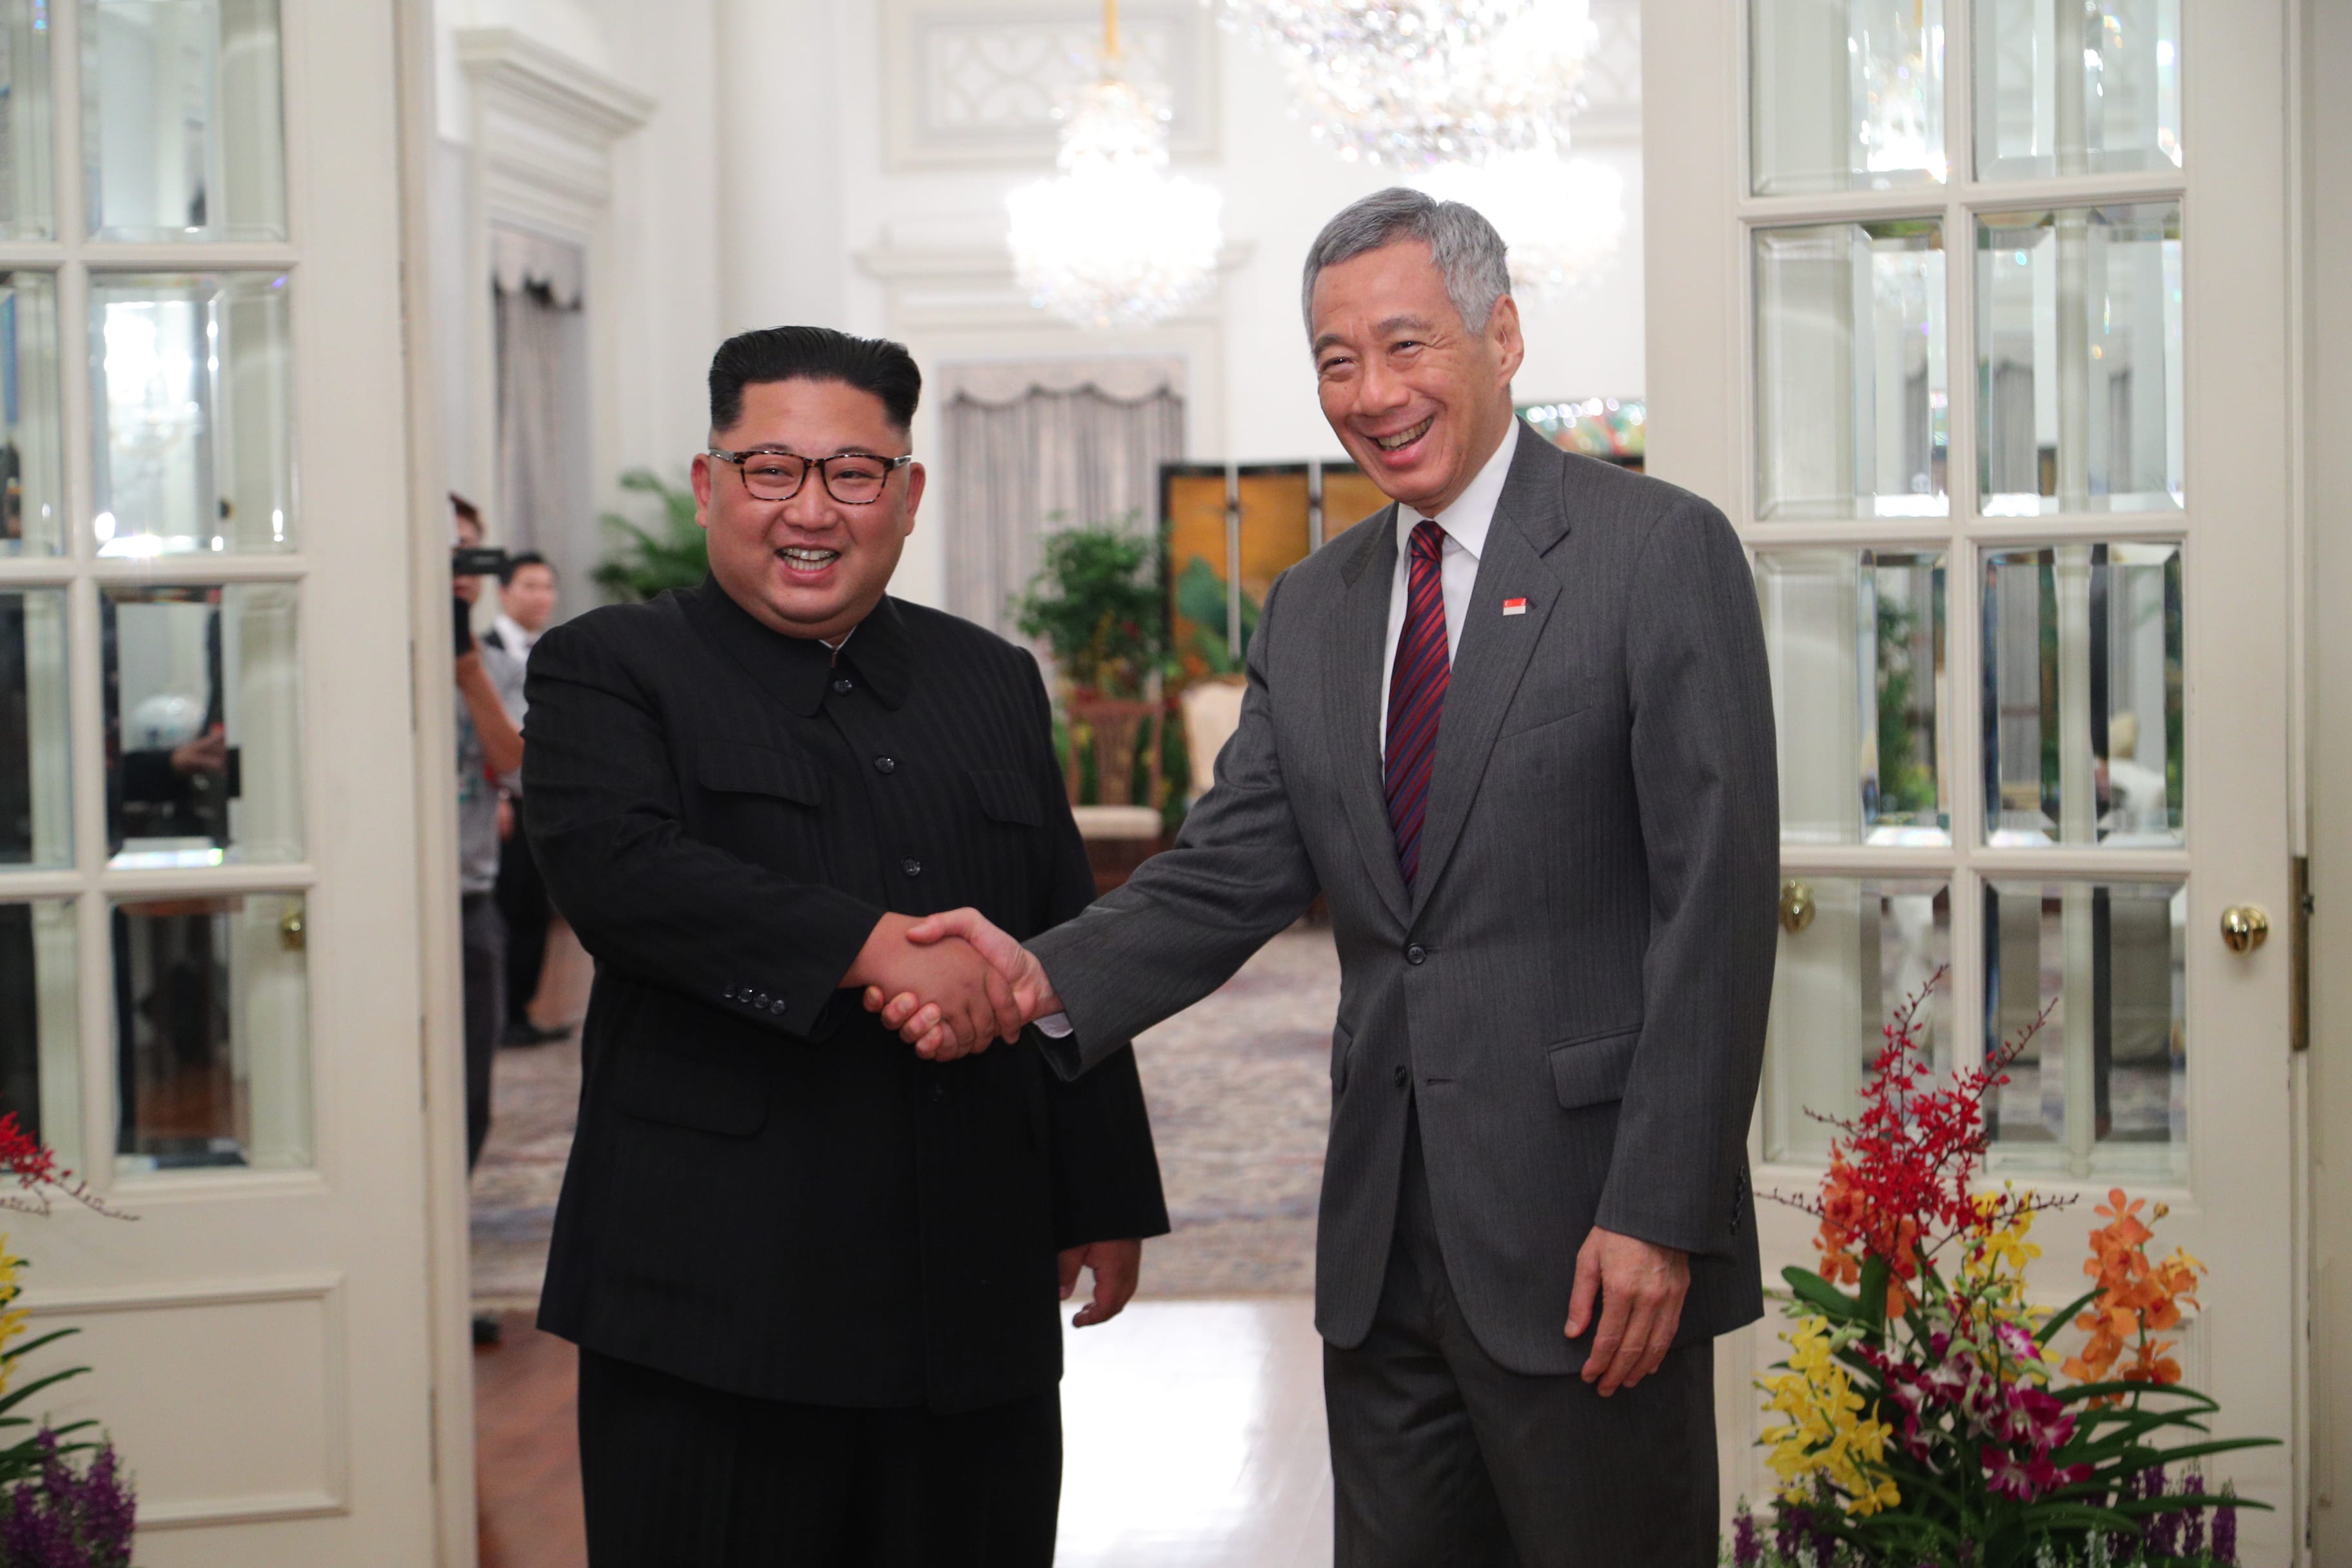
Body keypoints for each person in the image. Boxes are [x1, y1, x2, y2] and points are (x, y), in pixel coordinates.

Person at [875, 190, 1779, 1565]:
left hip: (1594, 1242)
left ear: (1504, 334)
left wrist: (1658, 1209)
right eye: (1336, 360)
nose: (1372, 392)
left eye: (1407, 345)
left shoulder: (1656, 551)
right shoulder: (1315, 603)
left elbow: (1711, 911)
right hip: (1383, 1250)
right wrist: (1028, 973)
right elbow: (1229, 871)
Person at [519, 326, 1168, 1565]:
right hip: (714, 1298)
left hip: (969, 1294)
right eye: (771, 469)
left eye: (852, 474)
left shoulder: (991, 679)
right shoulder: (609, 669)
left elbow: (1059, 934)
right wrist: (876, 949)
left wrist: (1099, 1190)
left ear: (907, 495)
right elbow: (622, 874)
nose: (809, 510)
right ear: (711, 484)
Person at [452, 495, 527, 1349]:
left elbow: (516, 766)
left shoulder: (493, 665)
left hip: (470, 895)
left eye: (469, 558)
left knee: (467, 1101)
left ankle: (450, 1261)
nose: (462, 575)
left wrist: (466, 670)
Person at [484, 551, 566, 1045]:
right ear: (504, 592)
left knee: (536, 908)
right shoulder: (480, 651)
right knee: (504, 908)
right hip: (500, 801)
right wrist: (494, 793)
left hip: (541, 797)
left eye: (548, 587)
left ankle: (522, 1013)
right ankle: (497, 1016)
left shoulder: (556, 649)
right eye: (531, 586)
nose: (541, 597)